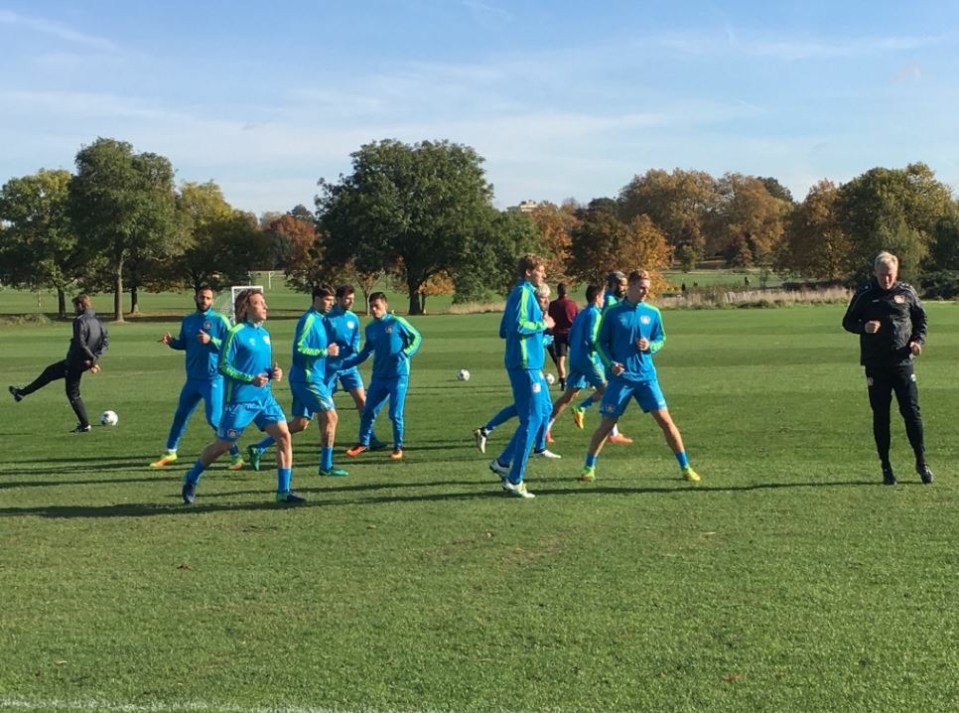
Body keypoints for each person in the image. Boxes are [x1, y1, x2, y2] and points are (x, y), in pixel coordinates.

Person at [180, 288, 304, 505]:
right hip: (240, 402)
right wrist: (249, 379)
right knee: (223, 446)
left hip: (264, 399)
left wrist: (273, 373)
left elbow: (261, 368)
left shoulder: (264, 334)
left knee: (284, 436)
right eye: (259, 303)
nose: (265, 307)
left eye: (264, 302)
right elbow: (223, 366)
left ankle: (283, 491)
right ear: (246, 308)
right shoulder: (236, 333)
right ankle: (192, 476)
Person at [579, 269, 701, 484]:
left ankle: (685, 467)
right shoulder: (613, 312)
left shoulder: (653, 313)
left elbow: (661, 338)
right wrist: (611, 364)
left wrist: (650, 346)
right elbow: (600, 342)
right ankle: (589, 468)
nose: (646, 292)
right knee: (607, 424)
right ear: (631, 286)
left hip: (646, 378)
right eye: (642, 288)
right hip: (621, 379)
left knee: (666, 422)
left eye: (648, 288)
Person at [842, 251, 933, 485]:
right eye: (882, 275)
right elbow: (848, 322)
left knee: (912, 413)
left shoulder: (907, 292)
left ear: (896, 272)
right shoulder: (865, 295)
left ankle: (921, 463)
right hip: (876, 366)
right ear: (875, 273)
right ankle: (886, 466)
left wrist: (917, 341)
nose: (886, 280)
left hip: (902, 364)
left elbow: (921, 319)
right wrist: (864, 327)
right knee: (881, 417)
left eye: (890, 275)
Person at [247, 285, 347, 476]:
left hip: (309, 378)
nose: (331, 303)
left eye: (332, 300)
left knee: (300, 423)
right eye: (327, 300)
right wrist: (324, 352)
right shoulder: (309, 320)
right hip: (307, 379)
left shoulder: (320, 320)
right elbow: (299, 348)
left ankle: (258, 448)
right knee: (330, 416)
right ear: (316, 299)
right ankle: (326, 466)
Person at [149, 286, 245, 470]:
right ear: (196, 298)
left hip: (213, 379)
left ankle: (236, 456)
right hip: (192, 379)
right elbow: (185, 344)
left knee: (214, 420)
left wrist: (212, 341)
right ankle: (170, 451)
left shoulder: (220, 320)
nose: (205, 301)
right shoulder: (188, 321)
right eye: (202, 297)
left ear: (213, 301)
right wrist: (172, 343)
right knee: (181, 415)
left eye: (208, 298)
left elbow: (233, 346)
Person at [486, 254, 555, 499]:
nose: (543, 275)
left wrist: (539, 336)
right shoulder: (524, 294)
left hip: (527, 364)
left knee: (540, 413)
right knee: (533, 419)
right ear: (528, 272)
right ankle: (515, 479)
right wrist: (542, 325)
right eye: (540, 271)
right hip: (526, 365)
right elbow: (515, 327)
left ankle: (504, 463)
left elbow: (503, 330)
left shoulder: (519, 294)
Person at [473, 283, 559, 459]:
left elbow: (506, 331)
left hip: (532, 364)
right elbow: (516, 332)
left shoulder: (528, 308)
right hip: (527, 364)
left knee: (543, 407)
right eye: (543, 298)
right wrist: (544, 331)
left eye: (547, 298)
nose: (546, 301)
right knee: (530, 409)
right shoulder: (528, 309)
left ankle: (487, 431)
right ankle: (509, 456)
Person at [9, 293, 108, 432]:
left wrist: (91, 361)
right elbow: (104, 344)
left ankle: (85, 425)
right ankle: (21, 393)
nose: (74, 309)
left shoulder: (80, 320)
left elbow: (81, 343)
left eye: (75, 306)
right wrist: (94, 359)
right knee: (50, 372)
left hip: (75, 363)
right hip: (82, 362)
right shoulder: (99, 321)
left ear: (80, 305)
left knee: (73, 394)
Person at [342, 292, 423, 460]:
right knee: (368, 411)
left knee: (395, 414)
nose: (373, 309)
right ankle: (364, 443)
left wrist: (407, 352)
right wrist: (345, 364)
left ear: (385, 306)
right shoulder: (370, 328)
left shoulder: (397, 322)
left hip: (398, 375)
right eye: (371, 306)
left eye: (377, 306)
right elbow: (366, 352)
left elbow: (417, 337)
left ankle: (398, 447)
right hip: (379, 377)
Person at [325, 285, 386, 450]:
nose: (350, 302)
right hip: (330, 368)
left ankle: (369, 438)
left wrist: (354, 347)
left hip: (350, 367)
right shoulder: (327, 319)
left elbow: (356, 338)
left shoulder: (353, 318)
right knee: (325, 409)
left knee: (362, 402)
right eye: (347, 298)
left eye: (352, 299)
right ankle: (327, 443)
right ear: (338, 299)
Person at [548, 284, 606, 432]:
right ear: (597, 297)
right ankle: (583, 408)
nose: (604, 300)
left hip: (576, 358)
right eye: (603, 296)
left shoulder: (582, 313)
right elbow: (592, 338)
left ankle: (545, 428)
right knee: (608, 389)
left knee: (569, 395)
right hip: (588, 359)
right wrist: (605, 352)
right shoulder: (594, 313)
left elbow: (571, 335)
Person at [601, 271, 632, 445]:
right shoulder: (610, 303)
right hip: (611, 355)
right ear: (612, 285)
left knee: (610, 390)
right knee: (612, 390)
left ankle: (612, 430)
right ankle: (611, 431)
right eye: (621, 284)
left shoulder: (610, 300)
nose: (624, 288)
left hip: (610, 354)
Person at [546, 282, 578, 391]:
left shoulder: (553, 305)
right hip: (571, 333)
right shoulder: (572, 304)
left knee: (560, 360)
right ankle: (579, 379)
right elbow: (577, 319)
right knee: (576, 356)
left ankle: (563, 381)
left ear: (558, 291)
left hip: (558, 334)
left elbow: (550, 319)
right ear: (566, 291)